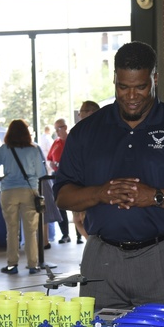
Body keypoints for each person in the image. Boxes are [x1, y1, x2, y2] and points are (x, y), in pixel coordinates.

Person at [54, 41, 164, 311]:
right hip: (101, 257)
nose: (131, 95)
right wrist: (99, 193)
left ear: (154, 79)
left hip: (163, 256)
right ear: (115, 79)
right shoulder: (86, 132)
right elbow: (62, 196)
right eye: (123, 86)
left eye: (140, 86)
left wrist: (155, 196)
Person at [0, 119, 47, 275]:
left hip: (8, 191)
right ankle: (33, 265)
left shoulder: (4, 149)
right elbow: (41, 174)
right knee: (31, 231)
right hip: (29, 191)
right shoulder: (34, 150)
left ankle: (12, 265)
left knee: (12, 230)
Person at [71, 101, 101, 244]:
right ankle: (91, 246)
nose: (79, 115)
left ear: (89, 113)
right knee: (78, 220)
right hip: (80, 184)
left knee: (85, 220)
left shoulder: (99, 133)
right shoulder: (80, 132)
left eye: (81, 112)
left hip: (91, 186)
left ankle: (93, 249)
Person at [46, 118, 73, 243]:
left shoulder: (73, 140)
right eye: (55, 129)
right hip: (58, 176)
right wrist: (53, 164)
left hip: (73, 177)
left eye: (59, 128)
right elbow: (50, 159)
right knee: (60, 204)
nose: (57, 131)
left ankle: (80, 235)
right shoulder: (55, 143)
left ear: (66, 127)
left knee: (76, 205)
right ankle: (65, 234)